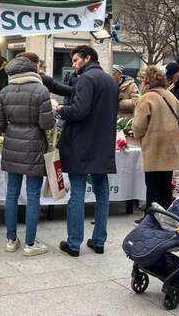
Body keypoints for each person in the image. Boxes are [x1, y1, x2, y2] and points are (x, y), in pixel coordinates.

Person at [57, 45, 118, 257]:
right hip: (103, 145)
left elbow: (79, 111)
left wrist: (60, 109)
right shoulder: (111, 80)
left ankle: (74, 243)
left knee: (77, 194)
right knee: (102, 194)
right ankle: (99, 241)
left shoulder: (85, 79)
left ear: (87, 58)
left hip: (81, 146)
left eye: (75, 60)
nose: (73, 64)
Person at [0, 56, 55, 256]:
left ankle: (11, 240)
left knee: (11, 193)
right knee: (33, 195)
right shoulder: (41, 91)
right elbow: (47, 124)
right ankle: (30, 243)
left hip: (12, 144)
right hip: (35, 145)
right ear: (33, 71)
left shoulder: (5, 91)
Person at [132, 66, 179, 219]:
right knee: (166, 184)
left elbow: (138, 126)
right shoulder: (171, 96)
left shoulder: (146, 98)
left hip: (154, 146)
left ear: (147, 81)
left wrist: (138, 135)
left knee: (152, 184)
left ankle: (151, 216)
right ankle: (166, 215)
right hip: (171, 146)